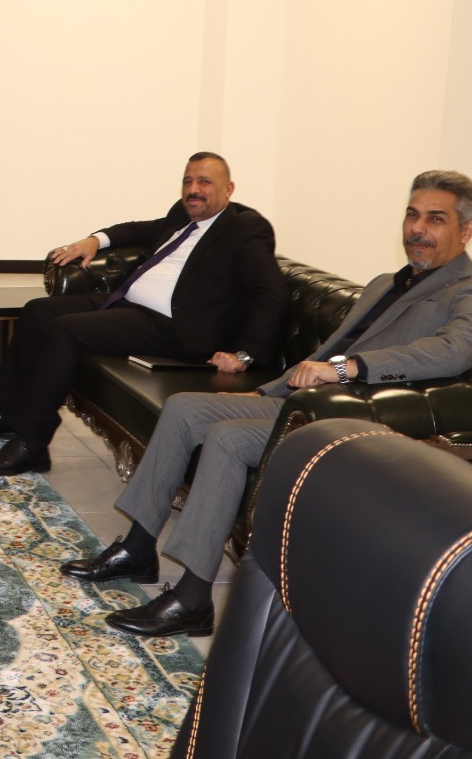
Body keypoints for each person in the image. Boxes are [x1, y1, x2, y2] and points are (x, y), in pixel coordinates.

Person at [62, 170, 472, 639]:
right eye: (412, 215)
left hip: (357, 420)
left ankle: (192, 600)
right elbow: (323, 353)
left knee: (228, 438)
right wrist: (265, 392)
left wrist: (348, 368)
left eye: (435, 219)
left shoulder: (464, 290)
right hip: (304, 402)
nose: (417, 229)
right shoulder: (385, 283)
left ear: (465, 231)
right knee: (184, 408)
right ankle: (138, 548)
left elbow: (453, 350)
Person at [0, 152, 286, 475]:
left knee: (66, 330)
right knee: (37, 311)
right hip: (129, 305)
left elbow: (271, 292)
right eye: (188, 181)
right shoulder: (183, 215)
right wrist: (94, 241)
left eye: (204, 182)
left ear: (228, 189)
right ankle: (8, 413)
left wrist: (245, 354)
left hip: (175, 327)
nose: (193, 190)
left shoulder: (245, 228)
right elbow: (139, 230)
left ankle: (32, 444)